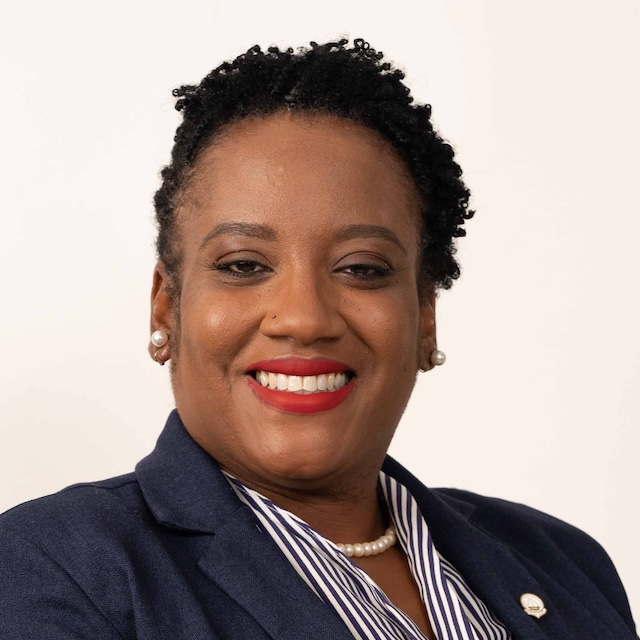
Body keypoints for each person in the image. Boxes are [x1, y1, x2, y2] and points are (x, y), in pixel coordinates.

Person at [0, 38, 636, 640]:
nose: (303, 318)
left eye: (362, 269)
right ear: (167, 307)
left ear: (425, 317)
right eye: (243, 265)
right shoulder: (49, 568)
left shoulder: (563, 561)